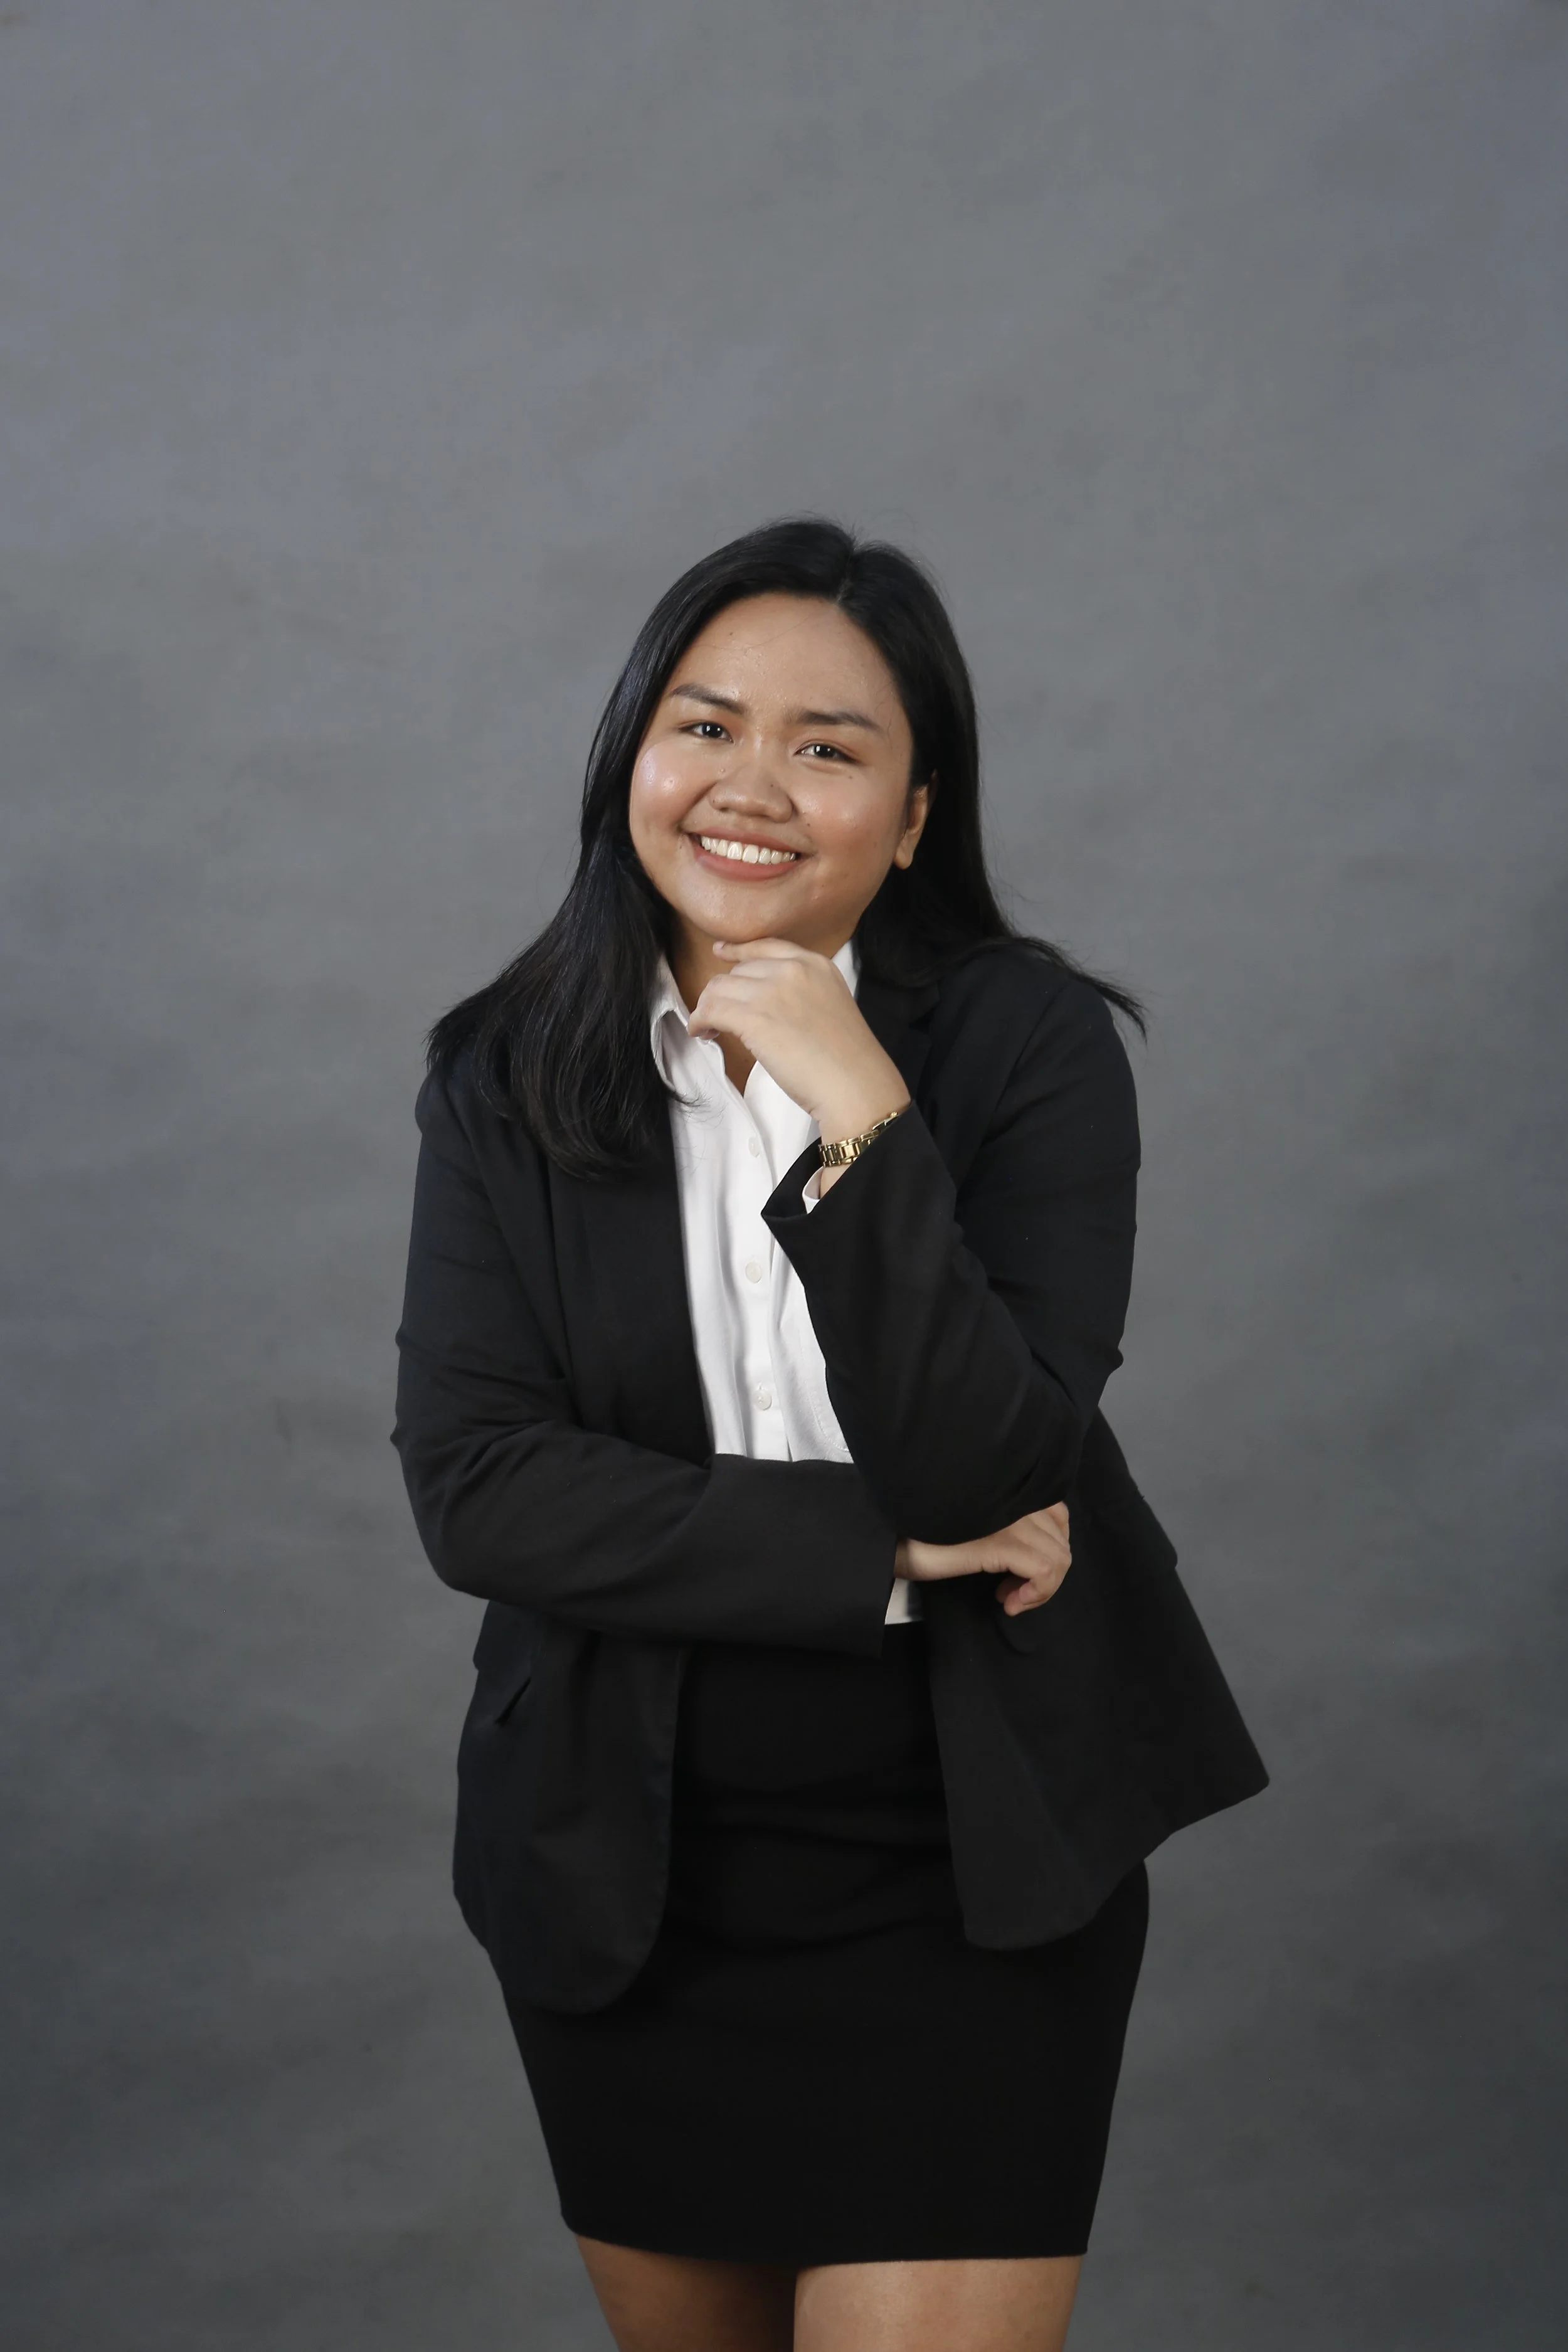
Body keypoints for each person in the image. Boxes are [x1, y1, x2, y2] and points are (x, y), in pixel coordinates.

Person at [391, 517, 1268, 2352]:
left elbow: (990, 1470)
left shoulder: (1029, 1045)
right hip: (627, 1872)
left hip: (973, 1865)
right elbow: (480, 1489)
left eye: (828, 746)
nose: (752, 786)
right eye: (704, 727)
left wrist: (859, 1112)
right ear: (631, 756)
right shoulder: (505, 1072)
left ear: (916, 815)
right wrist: (869, 1550)